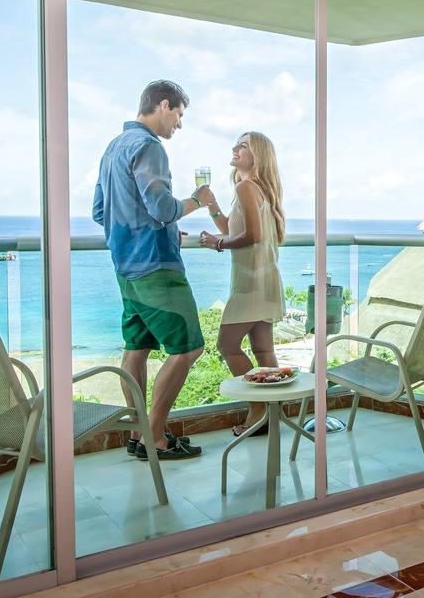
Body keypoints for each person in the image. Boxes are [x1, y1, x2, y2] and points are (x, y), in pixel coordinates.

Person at [92, 79, 208, 460]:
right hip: (157, 266)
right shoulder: (149, 146)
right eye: (178, 114)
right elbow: (161, 208)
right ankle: (152, 436)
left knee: (137, 348)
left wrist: (166, 224)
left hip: (125, 268)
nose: (179, 124)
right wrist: (195, 201)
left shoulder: (113, 148)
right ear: (163, 105)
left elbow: (99, 212)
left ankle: (141, 433)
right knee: (189, 348)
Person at [198, 131, 287, 435]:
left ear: (257, 156)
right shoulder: (256, 188)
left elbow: (252, 236)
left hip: (250, 282)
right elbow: (232, 227)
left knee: (227, 344)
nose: (235, 148)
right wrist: (212, 206)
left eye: (244, 145)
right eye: (237, 144)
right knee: (262, 349)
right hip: (264, 279)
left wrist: (217, 245)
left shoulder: (246, 186)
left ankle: (259, 409)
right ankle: (270, 415)